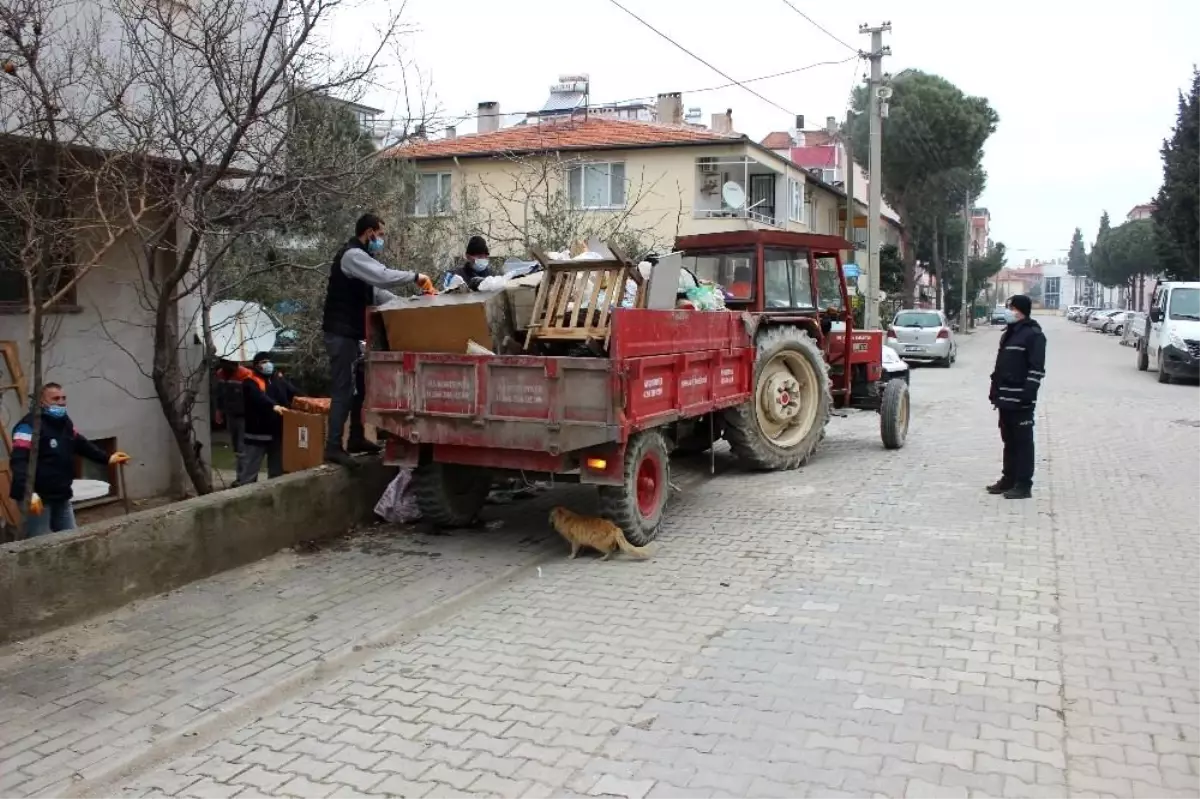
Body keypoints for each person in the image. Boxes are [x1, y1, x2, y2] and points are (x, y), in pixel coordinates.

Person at [322, 213, 429, 466]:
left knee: (361, 386)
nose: (381, 241)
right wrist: (416, 277)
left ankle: (356, 438)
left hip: (351, 333)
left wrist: (407, 304)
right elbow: (382, 276)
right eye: (380, 235)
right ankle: (333, 446)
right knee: (343, 390)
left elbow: (376, 291)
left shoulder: (361, 258)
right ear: (369, 232)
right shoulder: (352, 255)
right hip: (341, 333)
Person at [10, 382, 131, 537]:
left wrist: (107, 458)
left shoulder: (64, 422)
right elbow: (19, 462)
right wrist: (27, 493)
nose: (61, 402)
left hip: (61, 494)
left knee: (72, 539)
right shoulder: (28, 427)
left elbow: (80, 444)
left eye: (63, 398)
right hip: (38, 499)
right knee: (41, 544)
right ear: (42, 402)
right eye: (55, 398)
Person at [987, 294, 1046, 500]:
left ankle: (1023, 484)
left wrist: (1028, 396)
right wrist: (994, 391)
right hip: (1004, 398)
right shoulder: (1009, 334)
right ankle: (1008, 479)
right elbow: (1001, 366)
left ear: (1020, 310)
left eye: (1011, 308)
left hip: (1021, 399)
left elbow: (1036, 369)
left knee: (1023, 442)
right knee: (1009, 441)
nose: (1008, 311)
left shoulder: (1033, 335)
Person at [235, 352, 300, 485]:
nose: (267, 364)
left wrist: (311, 401)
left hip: (276, 434)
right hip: (256, 435)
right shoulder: (250, 382)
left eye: (268, 361)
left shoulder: (277, 380)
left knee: (277, 473)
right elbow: (259, 397)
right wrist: (273, 406)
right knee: (249, 473)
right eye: (263, 362)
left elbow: (294, 393)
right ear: (256, 366)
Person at [214, 358, 253, 477]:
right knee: (236, 446)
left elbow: (251, 396)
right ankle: (240, 476)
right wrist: (219, 411)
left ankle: (244, 477)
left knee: (242, 446)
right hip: (230, 414)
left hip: (244, 415)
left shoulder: (245, 374)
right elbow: (219, 394)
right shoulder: (221, 374)